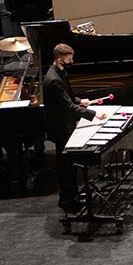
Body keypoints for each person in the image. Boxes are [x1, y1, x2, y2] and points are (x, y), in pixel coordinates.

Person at [43, 43, 108, 213]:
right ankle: (68, 201)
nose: (72, 61)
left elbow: (69, 98)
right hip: (61, 128)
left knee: (69, 165)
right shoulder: (54, 79)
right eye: (69, 58)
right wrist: (93, 114)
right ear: (59, 58)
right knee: (66, 166)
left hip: (65, 123)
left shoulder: (59, 72)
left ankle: (73, 197)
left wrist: (81, 101)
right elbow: (68, 107)